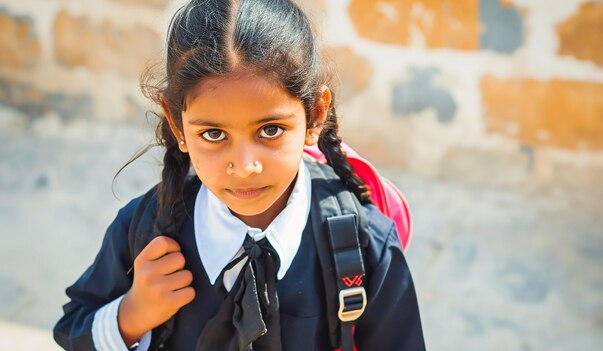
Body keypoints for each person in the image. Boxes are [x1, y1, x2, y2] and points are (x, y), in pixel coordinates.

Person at [53, 0, 426, 350]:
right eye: (214, 134)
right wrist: (131, 316)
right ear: (177, 123)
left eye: (270, 130)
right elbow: (73, 329)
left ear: (314, 115)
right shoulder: (147, 229)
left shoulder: (364, 243)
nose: (245, 166)